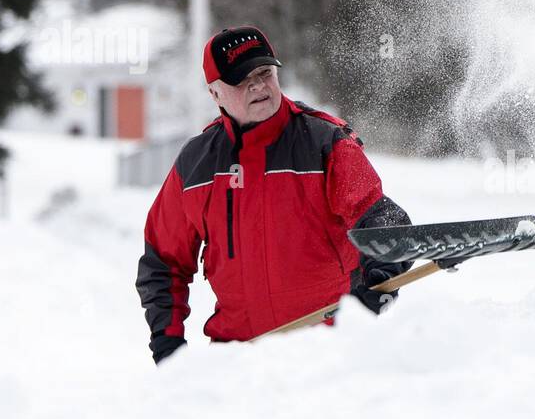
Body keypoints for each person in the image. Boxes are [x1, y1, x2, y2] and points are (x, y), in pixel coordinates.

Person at [135, 26, 410, 364]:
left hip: (330, 358)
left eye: (265, 72)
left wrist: (380, 280)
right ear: (214, 93)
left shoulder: (325, 143)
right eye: (241, 80)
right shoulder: (196, 165)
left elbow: (380, 219)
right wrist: (168, 344)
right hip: (239, 365)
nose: (258, 85)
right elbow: (163, 263)